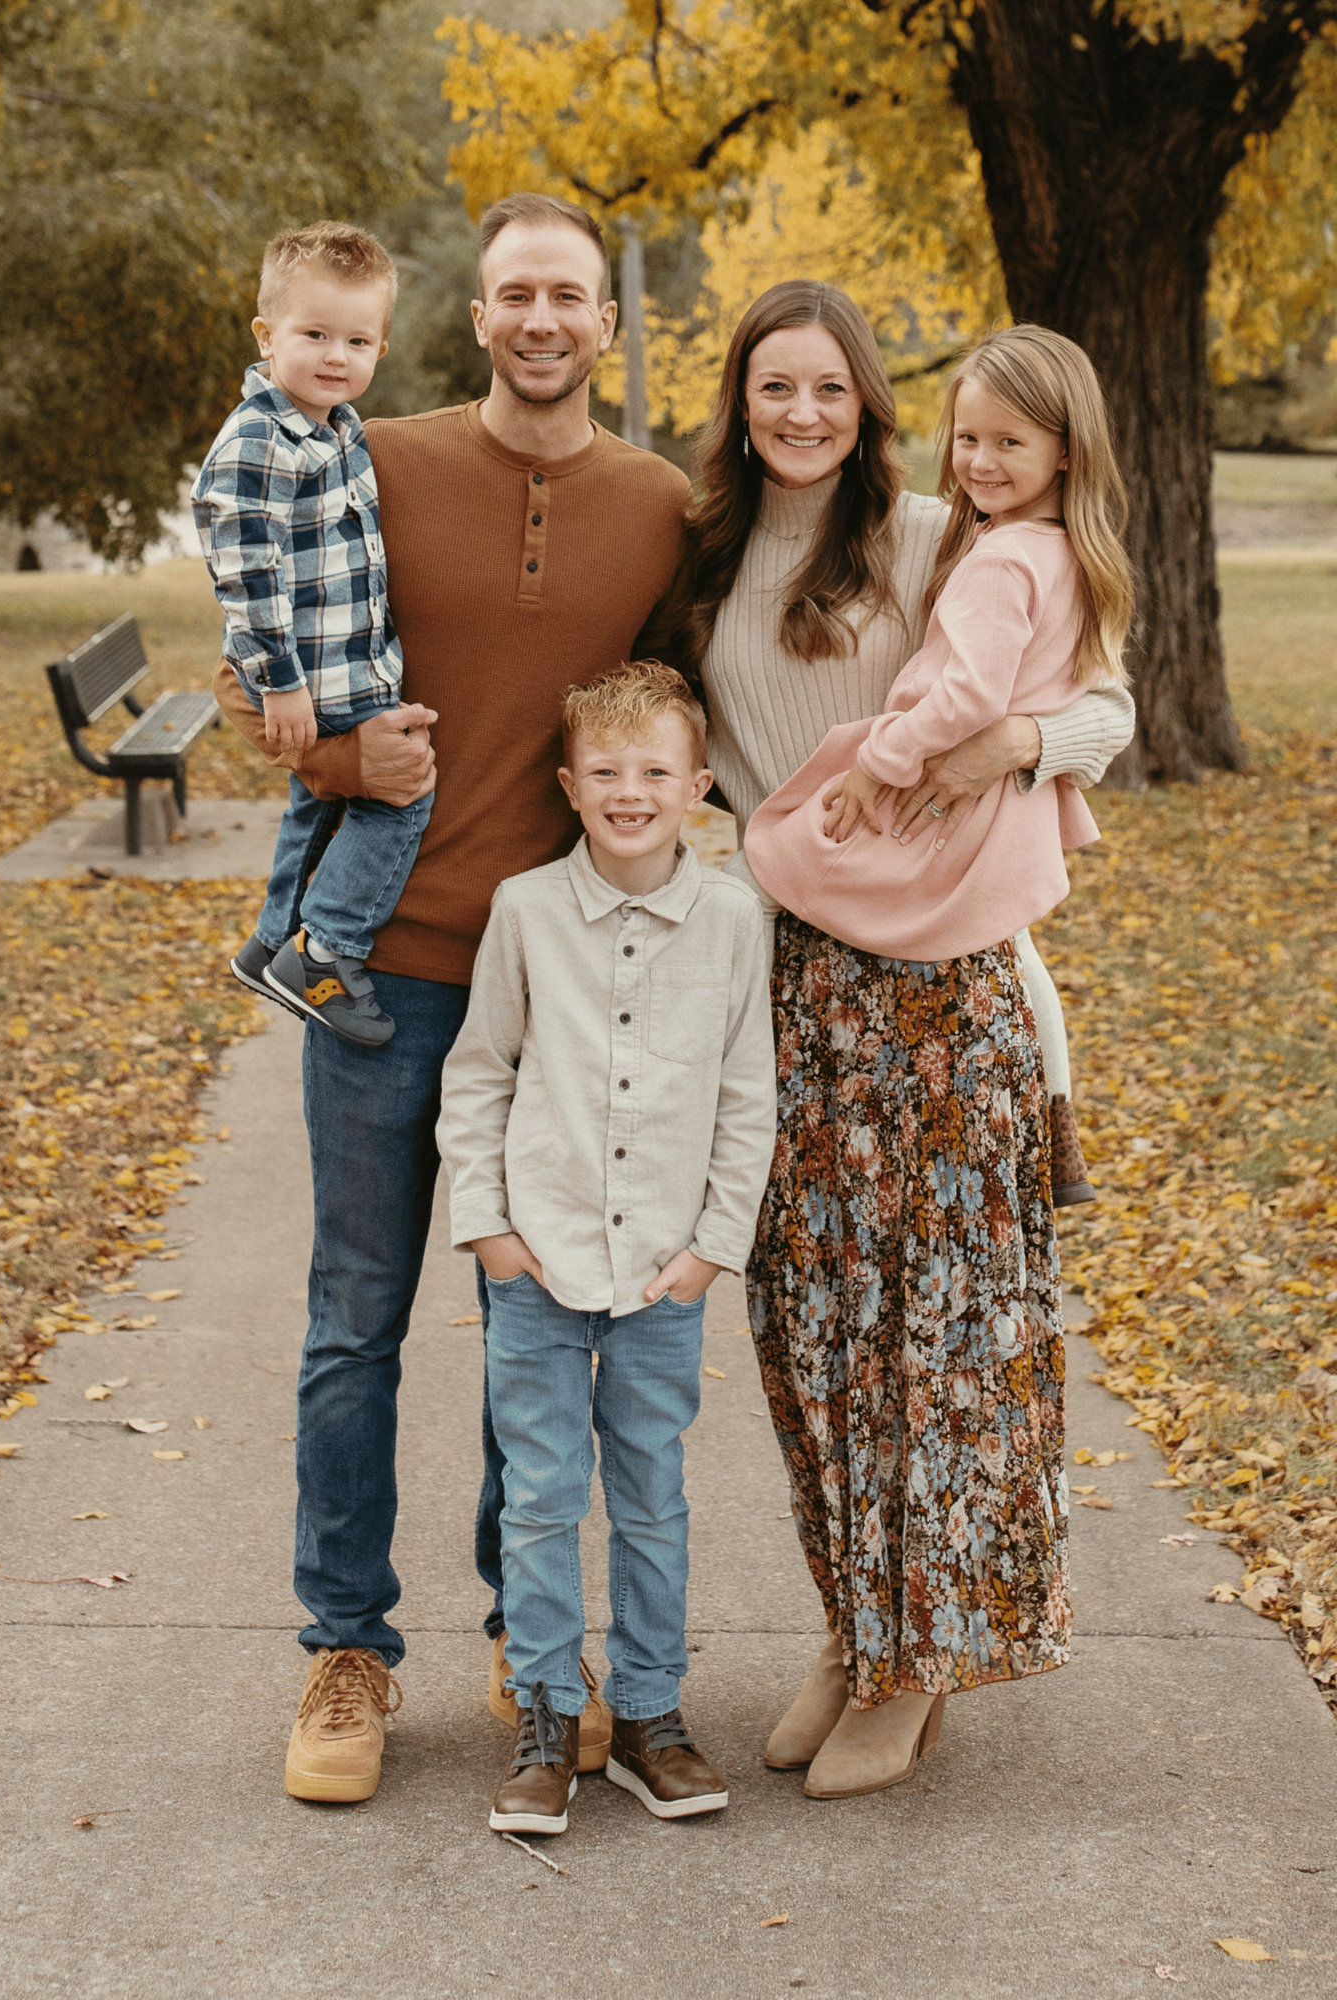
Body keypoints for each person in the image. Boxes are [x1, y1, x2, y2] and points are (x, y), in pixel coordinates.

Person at [210, 194, 693, 1803]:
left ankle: (525, 1631)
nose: (543, 318)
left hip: (556, 998)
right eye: (514, 295)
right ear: (477, 320)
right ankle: (347, 1649)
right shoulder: (376, 456)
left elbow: (699, 715)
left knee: (527, 1331)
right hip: (382, 978)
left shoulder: (660, 507)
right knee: (356, 1319)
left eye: (570, 294)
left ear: (604, 325)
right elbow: (252, 663)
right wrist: (343, 757)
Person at [677, 281, 1136, 1800]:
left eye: (829, 390)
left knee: (935, 1336)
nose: (801, 415)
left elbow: (1106, 703)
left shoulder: (950, 529)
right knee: (813, 1338)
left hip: (938, 995)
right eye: (773, 389)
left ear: (871, 404)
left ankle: (920, 1657)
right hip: (786, 982)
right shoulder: (697, 552)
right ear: (739, 402)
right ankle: (853, 1624)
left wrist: (1021, 740)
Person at [437, 661, 776, 1835]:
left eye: (655, 772)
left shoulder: (735, 919)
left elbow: (748, 1096)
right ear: (571, 785)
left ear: (697, 786)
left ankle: (648, 1717)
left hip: (663, 1273)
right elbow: (480, 1069)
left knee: (651, 1494)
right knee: (537, 1498)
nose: (631, 792)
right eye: (608, 772)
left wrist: (710, 1249)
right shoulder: (528, 910)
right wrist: (486, 1227)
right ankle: (545, 1718)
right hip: (538, 1258)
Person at [743, 323, 1131, 980]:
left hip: (937, 791)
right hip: (996, 820)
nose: (981, 461)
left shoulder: (998, 562)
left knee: (769, 867)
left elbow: (980, 694)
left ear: (1065, 452)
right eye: (969, 438)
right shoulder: (1062, 552)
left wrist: (879, 759)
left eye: (1010, 442)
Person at [193, 221, 432, 1048]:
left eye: (357, 339)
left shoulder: (340, 429)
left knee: (315, 812)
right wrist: (281, 683)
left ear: (381, 347)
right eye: (315, 334)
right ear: (267, 336)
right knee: (400, 796)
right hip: (315, 679)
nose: (337, 355)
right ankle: (325, 949)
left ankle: (269, 942)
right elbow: (247, 578)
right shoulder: (258, 441)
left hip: (349, 668)